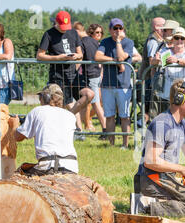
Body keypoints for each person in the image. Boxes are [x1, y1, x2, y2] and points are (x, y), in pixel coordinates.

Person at [135, 79, 185, 217]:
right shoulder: (162, 123)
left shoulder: (183, 124)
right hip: (152, 180)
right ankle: (146, 206)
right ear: (180, 99)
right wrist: (181, 169)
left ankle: (161, 202)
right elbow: (150, 161)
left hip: (166, 178)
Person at [36, 11, 94, 138]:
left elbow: (80, 53)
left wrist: (77, 56)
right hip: (57, 76)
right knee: (62, 105)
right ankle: (72, 131)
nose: (64, 30)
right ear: (56, 23)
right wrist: (58, 58)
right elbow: (39, 55)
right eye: (62, 26)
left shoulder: (73, 33)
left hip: (73, 75)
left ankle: (69, 121)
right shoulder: (48, 34)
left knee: (89, 94)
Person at [10, 84, 85, 176]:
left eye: (40, 97)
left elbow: (18, 137)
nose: (40, 100)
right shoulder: (70, 116)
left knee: (17, 177)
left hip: (48, 166)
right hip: (71, 167)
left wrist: (15, 125)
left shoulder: (37, 111)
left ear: (46, 97)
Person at [94, 18, 134, 149]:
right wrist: (113, 60)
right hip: (107, 85)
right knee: (109, 116)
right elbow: (98, 57)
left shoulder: (128, 42)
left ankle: (125, 144)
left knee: (124, 116)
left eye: (120, 28)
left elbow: (122, 57)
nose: (118, 31)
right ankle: (111, 144)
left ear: (123, 30)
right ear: (110, 30)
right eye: (115, 28)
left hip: (123, 85)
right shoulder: (105, 41)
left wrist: (118, 42)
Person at [151, 27, 185, 114]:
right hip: (168, 91)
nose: (179, 40)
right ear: (172, 40)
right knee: (166, 115)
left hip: (184, 89)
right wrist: (156, 60)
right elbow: (153, 62)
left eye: (182, 38)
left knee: (182, 115)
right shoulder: (165, 51)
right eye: (177, 38)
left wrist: (177, 60)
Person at [73, 22, 107, 135]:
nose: (99, 34)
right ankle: (93, 126)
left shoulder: (84, 42)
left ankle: (106, 130)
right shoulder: (97, 43)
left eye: (100, 33)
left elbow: (80, 57)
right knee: (93, 103)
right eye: (97, 32)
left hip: (91, 75)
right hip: (96, 75)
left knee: (96, 104)